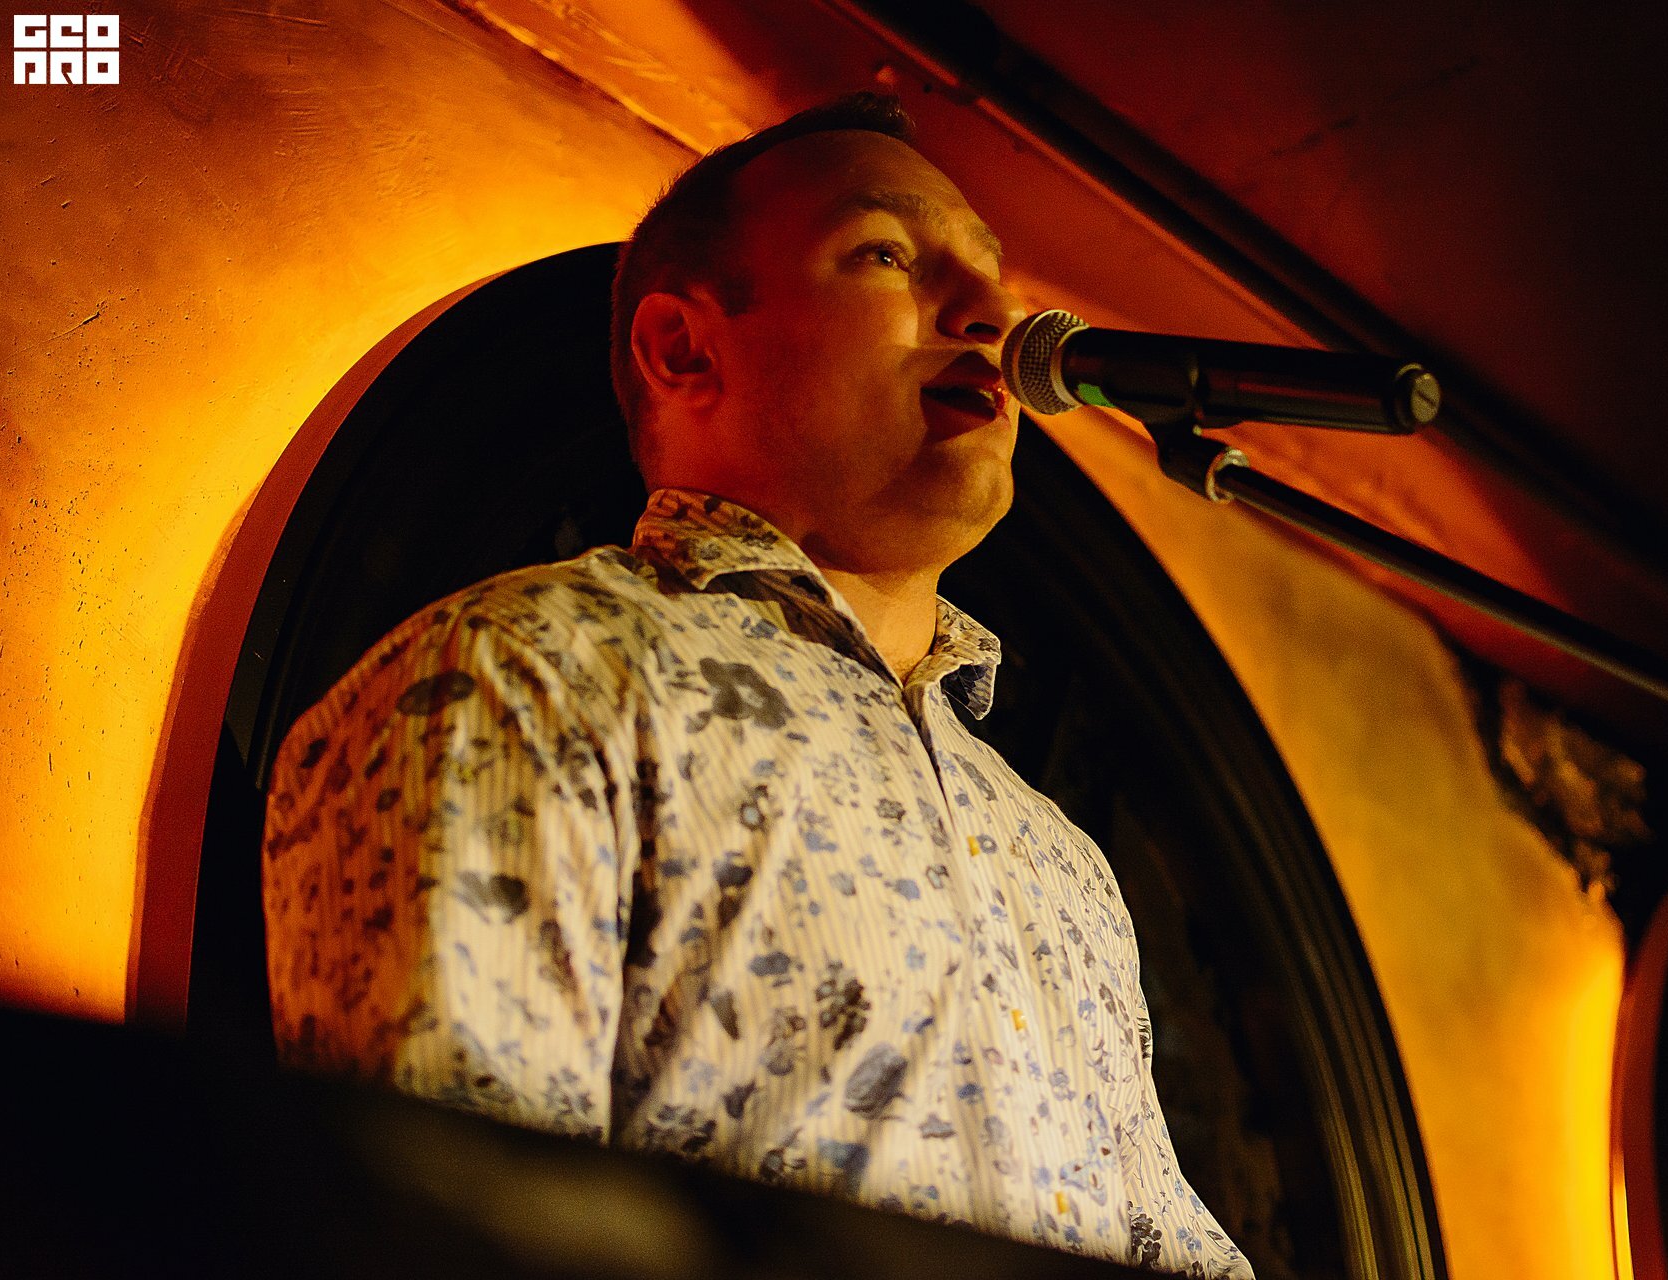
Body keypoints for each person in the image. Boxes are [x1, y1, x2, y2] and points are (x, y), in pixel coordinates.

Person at [261, 92, 1252, 1278]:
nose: (994, 313)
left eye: (993, 273)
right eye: (886, 254)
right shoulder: (525, 671)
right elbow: (444, 1218)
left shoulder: (1059, 857)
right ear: (685, 349)